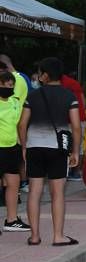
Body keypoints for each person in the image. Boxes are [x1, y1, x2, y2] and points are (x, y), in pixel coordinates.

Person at [18, 57, 82, 246]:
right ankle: (58, 236)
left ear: (45, 75)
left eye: (39, 73)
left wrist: (24, 146)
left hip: (34, 148)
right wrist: (75, 151)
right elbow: (76, 127)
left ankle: (35, 236)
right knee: (57, 193)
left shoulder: (33, 96)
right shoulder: (69, 96)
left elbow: (22, 125)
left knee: (34, 192)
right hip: (57, 149)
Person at [0, 71, 28, 233]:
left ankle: (11, 220)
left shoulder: (15, 102)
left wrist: (23, 146)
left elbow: (20, 124)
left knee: (13, 183)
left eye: (10, 85)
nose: (7, 88)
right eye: (4, 85)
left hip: (12, 148)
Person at [60, 71, 86, 181]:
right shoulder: (75, 83)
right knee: (78, 145)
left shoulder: (60, 84)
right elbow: (83, 101)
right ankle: (75, 173)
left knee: (64, 145)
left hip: (67, 119)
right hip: (80, 118)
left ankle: (63, 171)